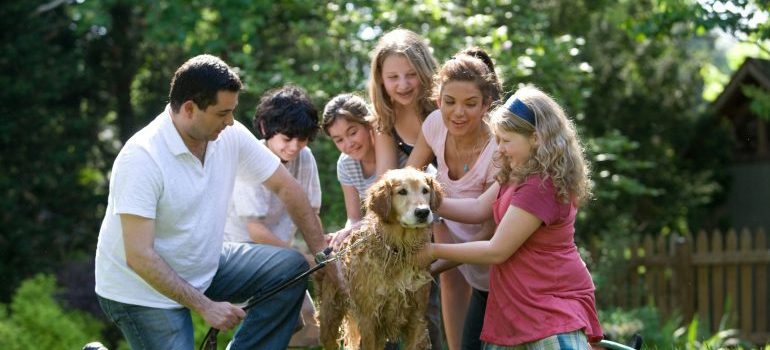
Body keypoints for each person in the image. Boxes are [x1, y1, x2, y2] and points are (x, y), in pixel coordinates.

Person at [94, 54, 339, 350]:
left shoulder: (229, 135)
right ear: (189, 109)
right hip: (141, 289)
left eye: (232, 111)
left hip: (203, 262)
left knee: (289, 266)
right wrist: (205, 306)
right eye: (222, 113)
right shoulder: (142, 158)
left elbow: (288, 188)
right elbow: (139, 256)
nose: (231, 121)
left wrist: (323, 257)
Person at [421, 85, 603, 349]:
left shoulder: (540, 186)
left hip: (550, 303)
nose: (500, 149)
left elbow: (497, 251)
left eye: (506, 141)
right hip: (519, 298)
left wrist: (431, 251)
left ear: (536, 139)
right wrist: (425, 200)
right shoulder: (518, 171)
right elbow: (477, 209)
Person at [407, 47, 502, 350]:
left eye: (470, 104)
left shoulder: (499, 150)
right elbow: (408, 179)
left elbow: (489, 228)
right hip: (474, 276)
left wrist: (433, 261)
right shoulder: (435, 124)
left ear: (487, 104)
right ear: (438, 100)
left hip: (506, 276)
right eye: (449, 102)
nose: (458, 113)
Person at [223, 85, 322, 347]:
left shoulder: (305, 157)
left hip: (283, 260)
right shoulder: (250, 158)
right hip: (242, 257)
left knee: (310, 327)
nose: (294, 147)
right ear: (266, 129)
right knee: (281, 323)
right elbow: (255, 231)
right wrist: (305, 260)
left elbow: (310, 214)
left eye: (302, 140)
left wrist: (322, 255)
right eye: (287, 138)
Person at [368, 28, 438, 177]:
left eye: (411, 74)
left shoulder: (442, 105)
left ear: (424, 71)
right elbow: (386, 176)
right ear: (380, 77)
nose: (403, 85)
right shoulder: (385, 117)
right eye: (393, 77)